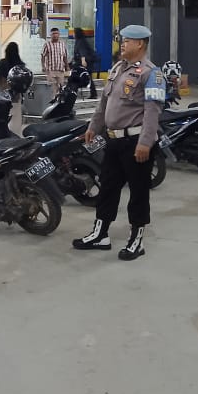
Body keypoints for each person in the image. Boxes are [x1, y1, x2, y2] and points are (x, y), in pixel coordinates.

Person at [73, 25, 164, 261]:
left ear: (140, 44)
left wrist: (145, 143)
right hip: (113, 140)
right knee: (108, 188)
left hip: (136, 142)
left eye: (127, 41)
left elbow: (152, 112)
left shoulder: (151, 74)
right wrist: (93, 127)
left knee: (138, 192)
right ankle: (100, 234)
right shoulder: (117, 69)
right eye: (122, 40)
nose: (122, 44)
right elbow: (103, 104)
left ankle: (136, 240)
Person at [73, 27, 100, 99]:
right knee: (88, 78)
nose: (73, 35)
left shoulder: (81, 42)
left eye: (74, 33)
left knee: (80, 77)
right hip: (86, 63)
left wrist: (83, 60)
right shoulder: (80, 40)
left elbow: (82, 52)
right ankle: (93, 93)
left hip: (85, 63)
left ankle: (92, 93)